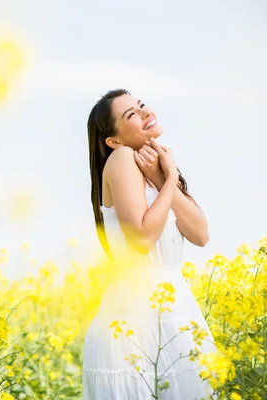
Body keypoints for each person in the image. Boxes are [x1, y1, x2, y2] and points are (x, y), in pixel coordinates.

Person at [82, 88, 219, 399]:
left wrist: (161, 179)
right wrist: (169, 178)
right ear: (113, 140)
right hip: (133, 318)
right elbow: (143, 239)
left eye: (141, 105)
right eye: (131, 114)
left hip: (176, 307)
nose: (144, 113)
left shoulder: (156, 170)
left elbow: (200, 234)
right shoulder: (121, 157)